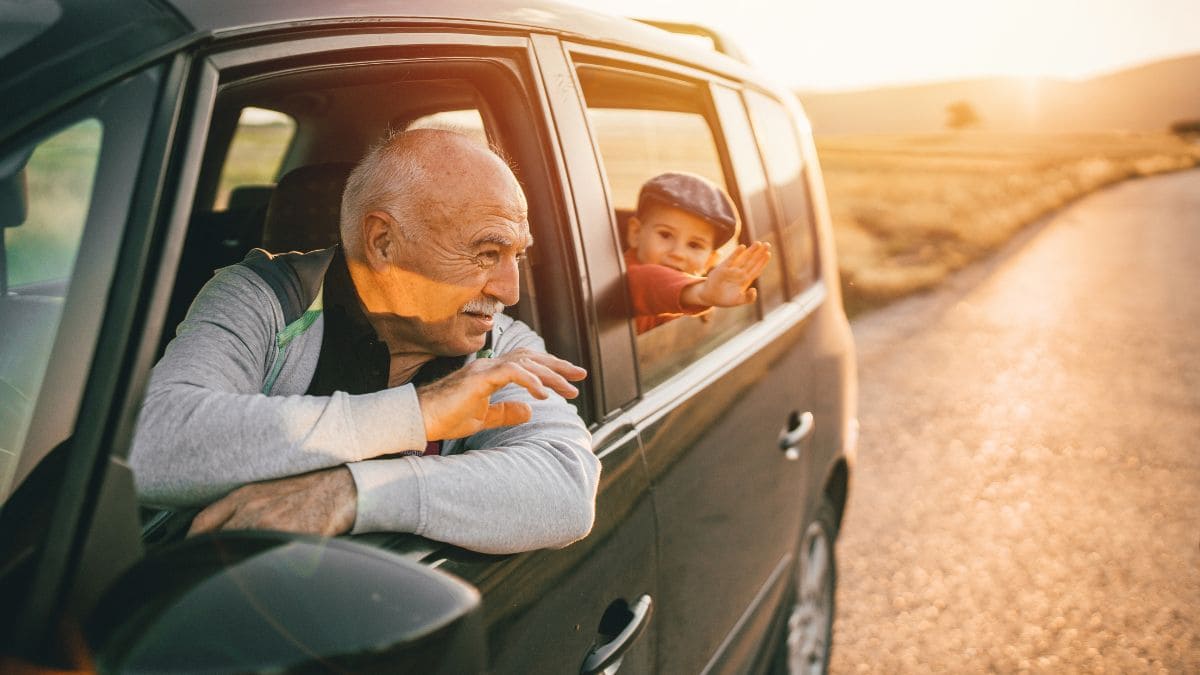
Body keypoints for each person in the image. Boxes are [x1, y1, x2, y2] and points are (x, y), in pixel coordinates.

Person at [129, 129, 600, 555]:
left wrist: (353, 492)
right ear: (383, 243)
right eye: (486, 253)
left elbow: (567, 486)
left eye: (517, 256)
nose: (510, 290)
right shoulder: (265, 300)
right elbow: (148, 447)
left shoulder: (501, 346)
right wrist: (419, 414)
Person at [623, 172, 771, 334]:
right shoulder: (627, 278)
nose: (678, 253)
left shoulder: (693, 298)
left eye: (694, 245)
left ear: (710, 261)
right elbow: (648, 281)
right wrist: (701, 292)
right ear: (635, 233)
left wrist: (702, 296)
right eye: (665, 235)